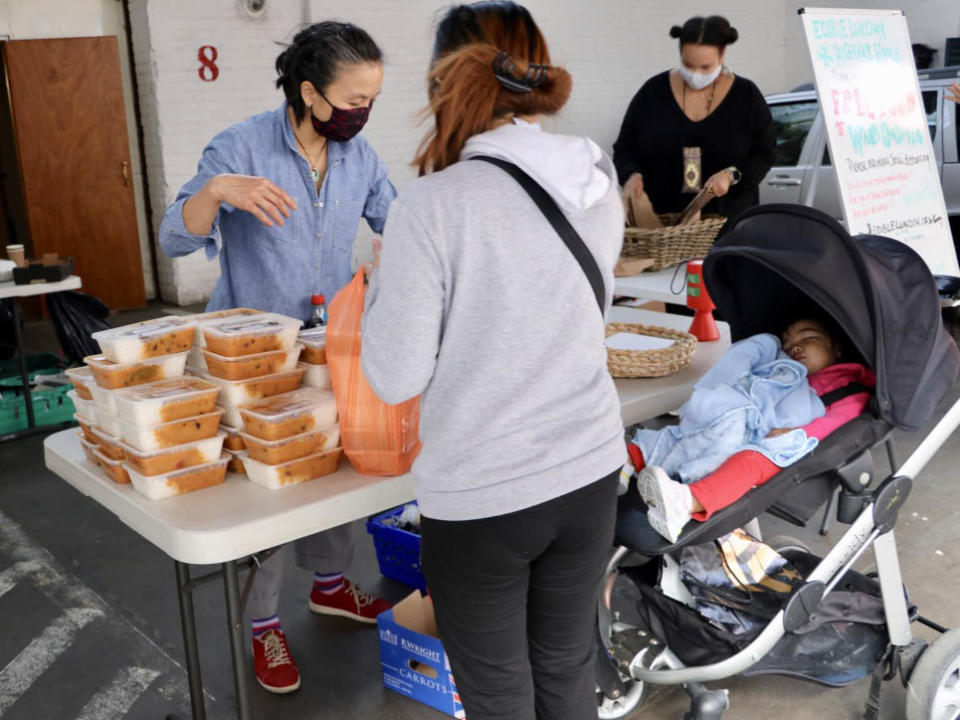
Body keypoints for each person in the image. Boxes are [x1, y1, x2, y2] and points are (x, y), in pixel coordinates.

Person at [360, 3, 626, 718]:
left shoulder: (432, 206)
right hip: (591, 469)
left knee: (500, 695)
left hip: (485, 496)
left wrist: (386, 279)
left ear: (444, 82)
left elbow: (393, 375)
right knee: (568, 670)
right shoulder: (596, 172)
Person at [158, 22, 394, 695]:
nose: (362, 113)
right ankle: (263, 622)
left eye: (371, 100)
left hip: (328, 346)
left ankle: (329, 584)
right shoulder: (239, 147)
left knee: (335, 466)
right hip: (253, 359)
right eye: (353, 101)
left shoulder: (361, 157)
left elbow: (397, 223)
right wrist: (215, 194)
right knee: (272, 489)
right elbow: (174, 238)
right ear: (310, 92)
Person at [619, 317, 875, 545]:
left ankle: (687, 502)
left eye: (808, 337)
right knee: (680, 435)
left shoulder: (847, 389)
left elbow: (837, 423)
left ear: (838, 348)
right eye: (787, 343)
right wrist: (767, 342)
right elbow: (738, 367)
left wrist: (797, 434)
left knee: (749, 462)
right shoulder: (778, 367)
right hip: (737, 422)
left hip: (775, 444)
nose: (794, 346)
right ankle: (627, 462)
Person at [613, 16, 775, 229]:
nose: (696, 75)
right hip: (663, 228)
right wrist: (631, 175)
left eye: (706, 67)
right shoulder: (653, 92)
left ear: (723, 55)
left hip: (729, 225)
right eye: (688, 65)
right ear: (680, 54)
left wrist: (731, 175)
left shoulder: (746, 96)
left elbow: (765, 153)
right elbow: (625, 146)